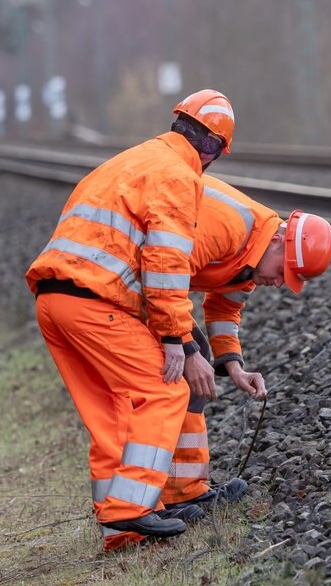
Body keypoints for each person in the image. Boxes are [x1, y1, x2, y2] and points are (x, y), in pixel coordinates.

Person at [25, 89, 235, 552]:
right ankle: (132, 508)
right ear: (213, 147)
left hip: (53, 301)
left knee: (112, 413)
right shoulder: (179, 176)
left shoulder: (134, 159)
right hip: (95, 301)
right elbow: (164, 264)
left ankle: (119, 533)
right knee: (165, 389)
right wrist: (178, 337)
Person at [159, 174, 331, 512]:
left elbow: (224, 305)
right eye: (283, 271)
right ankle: (160, 496)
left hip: (155, 289)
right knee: (170, 374)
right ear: (279, 240)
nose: (278, 283)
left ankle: (183, 492)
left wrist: (234, 367)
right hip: (134, 279)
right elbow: (165, 274)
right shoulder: (228, 227)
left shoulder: (253, 259)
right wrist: (187, 348)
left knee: (191, 366)